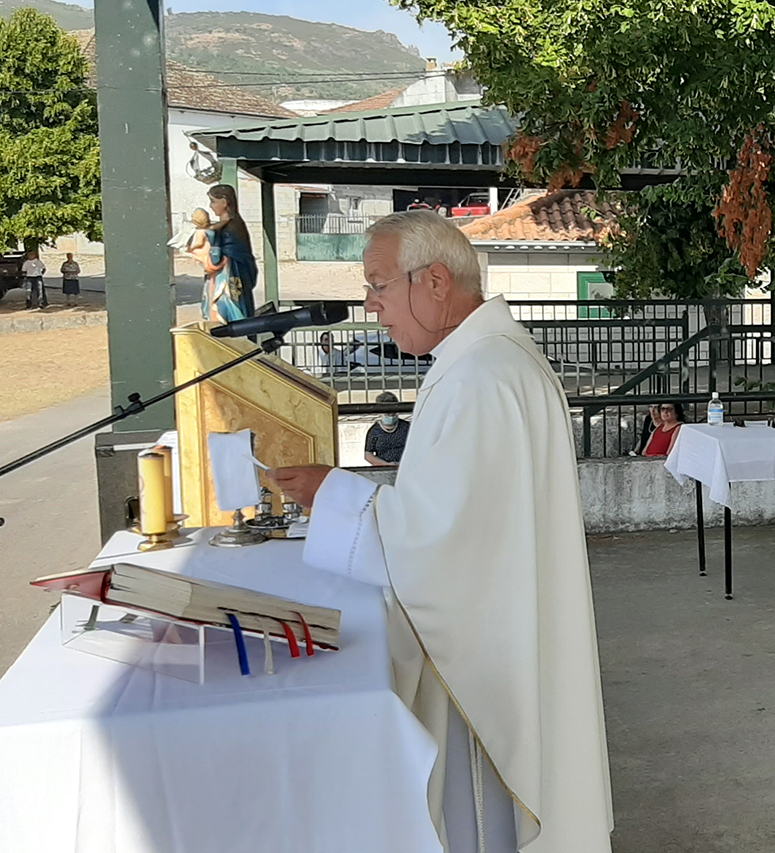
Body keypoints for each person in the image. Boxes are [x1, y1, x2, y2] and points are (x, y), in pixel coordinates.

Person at [270, 210, 612, 853]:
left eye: (377, 285)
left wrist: (332, 495)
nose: (371, 307)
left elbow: (440, 543)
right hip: (505, 629)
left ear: (433, 281)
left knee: (482, 817)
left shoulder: (480, 377)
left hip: (488, 659)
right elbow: (459, 520)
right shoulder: (481, 360)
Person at [205, 184, 258, 321]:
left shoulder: (228, 229)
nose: (211, 206)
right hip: (238, 273)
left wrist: (212, 238)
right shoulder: (236, 224)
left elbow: (216, 259)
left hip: (229, 278)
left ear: (224, 202)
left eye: (213, 201)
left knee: (226, 313)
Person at [364, 391, 410, 466]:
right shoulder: (374, 431)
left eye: (393, 413)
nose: (391, 416)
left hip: (406, 467)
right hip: (383, 469)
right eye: (387, 413)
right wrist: (386, 465)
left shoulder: (406, 427)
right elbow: (368, 454)